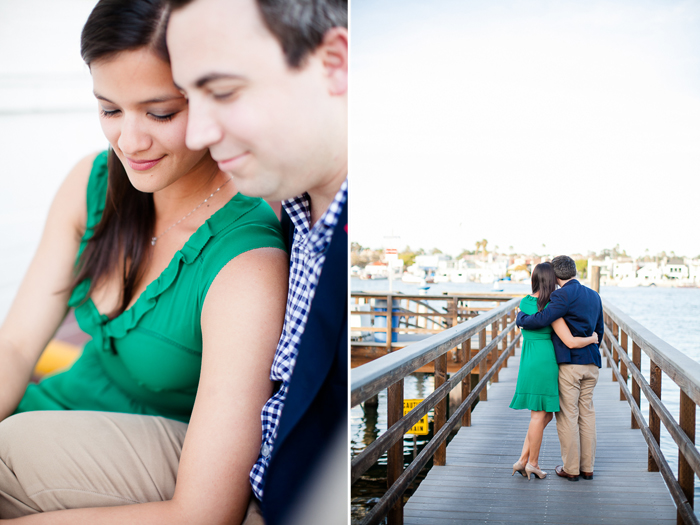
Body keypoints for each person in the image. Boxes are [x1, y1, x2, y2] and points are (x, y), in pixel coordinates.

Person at [0, 0, 288, 523]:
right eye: (110, 109)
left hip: (147, 470)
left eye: (160, 113)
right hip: (55, 420)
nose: (129, 142)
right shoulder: (93, 181)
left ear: (211, 100)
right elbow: (16, 345)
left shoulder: (246, 264)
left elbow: (204, 511)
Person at [165, 0, 348, 523]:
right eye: (185, 98)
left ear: (333, 62)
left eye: (221, 92)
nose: (196, 134)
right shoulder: (294, 207)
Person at [517, 255, 604, 482]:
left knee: (567, 417)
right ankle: (588, 468)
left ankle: (572, 469)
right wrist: (593, 341)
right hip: (591, 363)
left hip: (570, 364)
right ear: (574, 271)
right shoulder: (594, 295)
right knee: (587, 415)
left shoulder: (560, 295)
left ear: (555, 276)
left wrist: (521, 318)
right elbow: (599, 330)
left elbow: (542, 318)